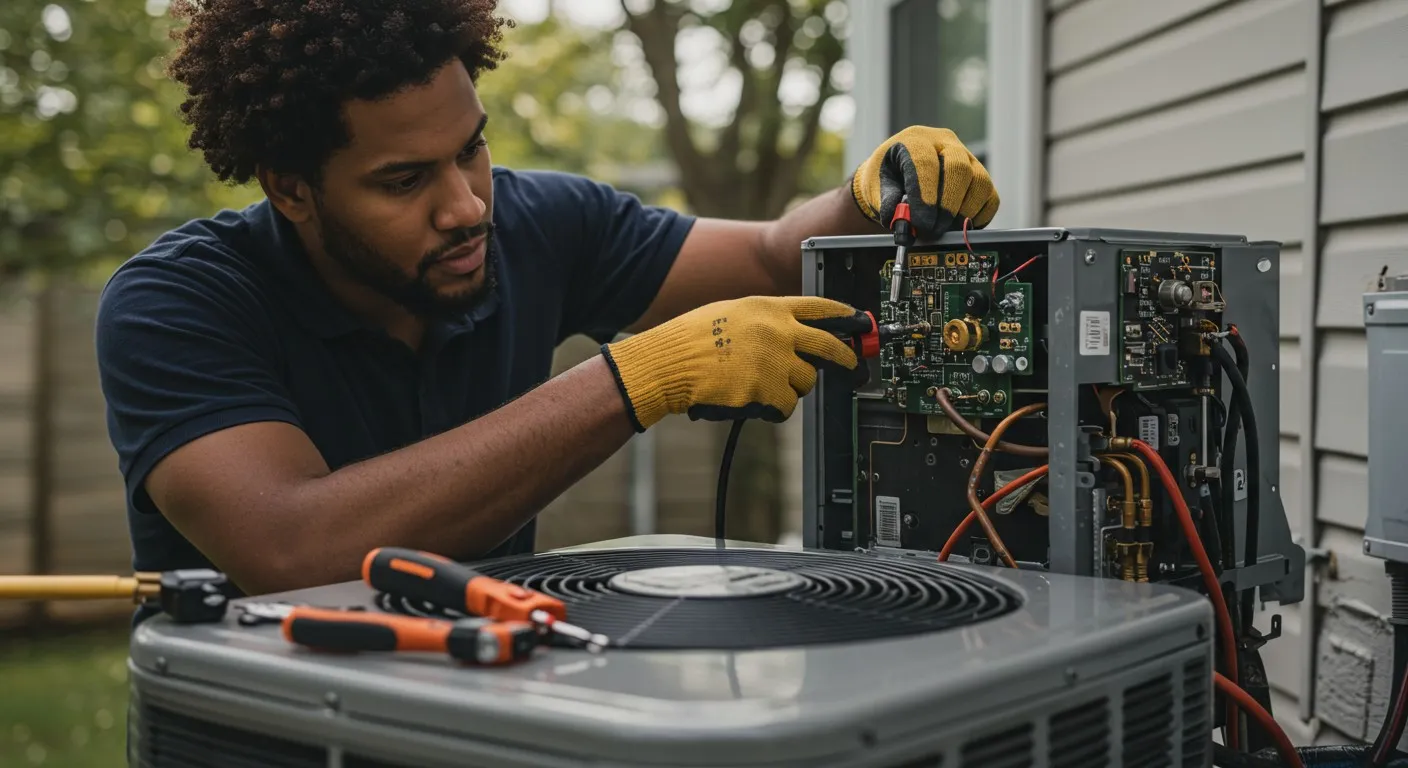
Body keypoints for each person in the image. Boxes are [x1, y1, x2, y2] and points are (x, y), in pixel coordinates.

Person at [95, 0, 999, 615]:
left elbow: (768, 256)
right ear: (292, 189)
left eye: (472, 150)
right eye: (405, 181)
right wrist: (639, 379)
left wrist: (868, 191)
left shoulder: (541, 223)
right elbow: (292, 550)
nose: (466, 206)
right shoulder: (175, 303)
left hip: (483, 712)